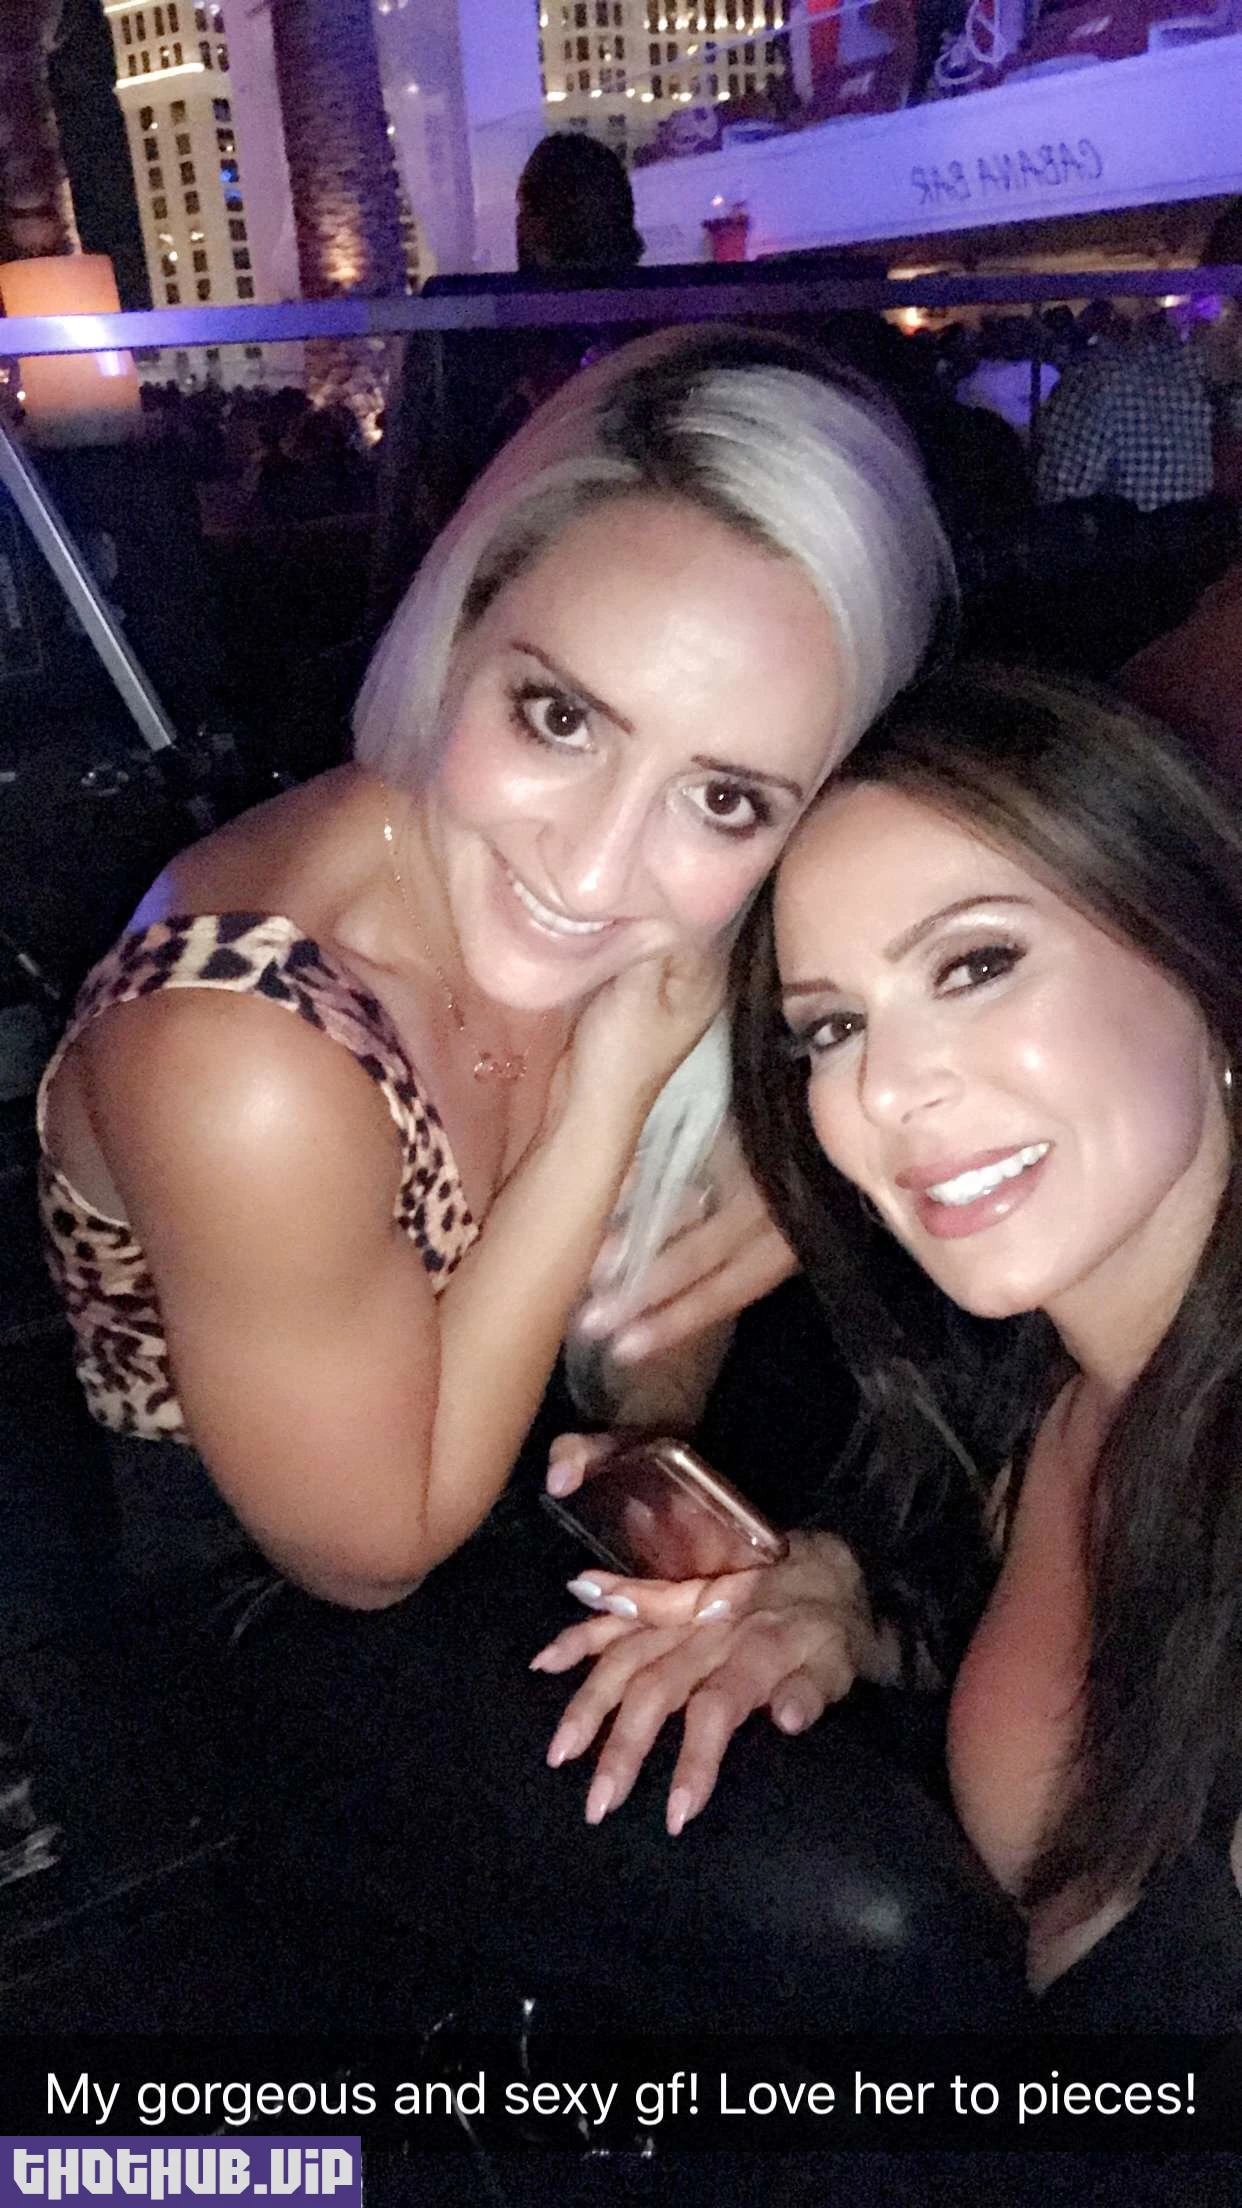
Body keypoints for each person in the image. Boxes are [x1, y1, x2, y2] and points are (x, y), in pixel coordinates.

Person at [35, 324, 951, 1612]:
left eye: (725, 796)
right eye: (561, 719)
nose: (595, 870)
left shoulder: (727, 903)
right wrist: (606, 1109)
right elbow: (367, 1555)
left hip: (535, 1507)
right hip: (244, 1604)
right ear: (461, 624)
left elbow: (651, 1366)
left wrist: (771, 1176)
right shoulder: (238, 1053)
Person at [539, 664, 1242, 2027]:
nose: (885, 1090)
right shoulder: (1045, 1393)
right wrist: (855, 1622)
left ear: (1200, 950)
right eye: (833, 1027)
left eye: (975, 966)